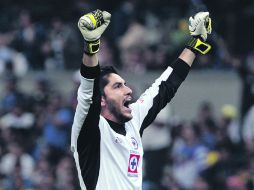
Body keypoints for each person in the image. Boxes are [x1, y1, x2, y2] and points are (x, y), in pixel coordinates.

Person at [71, 9, 212, 190]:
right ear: (101, 100)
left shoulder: (133, 120)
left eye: (124, 84)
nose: (128, 90)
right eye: (117, 86)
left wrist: (195, 43)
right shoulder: (90, 129)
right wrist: (91, 44)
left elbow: (165, 86)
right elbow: (87, 92)